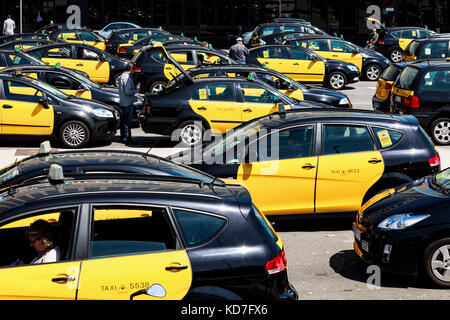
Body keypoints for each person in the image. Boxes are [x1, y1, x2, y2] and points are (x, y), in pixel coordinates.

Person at [118, 62, 140, 145]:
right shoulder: (127, 77)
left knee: (124, 121)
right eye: (134, 69)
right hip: (127, 102)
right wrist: (136, 91)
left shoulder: (122, 76)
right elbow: (127, 91)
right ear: (130, 69)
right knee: (127, 122)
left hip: (123, 102)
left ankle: (124, 137)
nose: (134, 70)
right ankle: (127, 138)